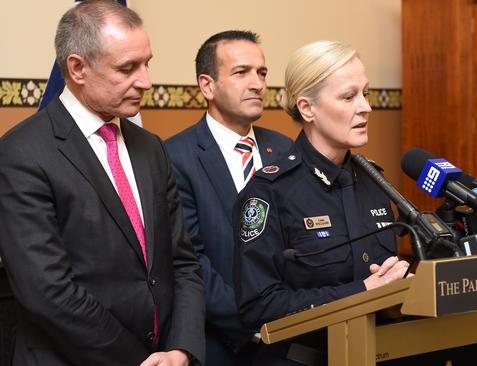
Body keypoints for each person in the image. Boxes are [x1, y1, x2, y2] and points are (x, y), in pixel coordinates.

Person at [0, 1, 204, 365]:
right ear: (78, 68)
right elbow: (47, 290)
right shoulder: (22, 153)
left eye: (147, 63)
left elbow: (182, 262)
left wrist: (181, 349)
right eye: (127, 68)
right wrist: (138, 360)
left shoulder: (151, 147)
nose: (145, 81)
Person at [233, 40, 410, 366]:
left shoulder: (373, 181)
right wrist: (363, 292)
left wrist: (398, 290)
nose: (366, 107)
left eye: (366, 94)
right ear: (307, 108)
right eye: (348, 96)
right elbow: (259, 305)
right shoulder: (270, 191)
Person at [165, 30, 292, 365]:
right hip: (223, 343)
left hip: (292, 338)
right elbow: (191, 261)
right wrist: (255, 320)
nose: (257, 84)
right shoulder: (175, 156)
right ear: (207, 85)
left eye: (262, 73)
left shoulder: (284, 149)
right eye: (241, 72)